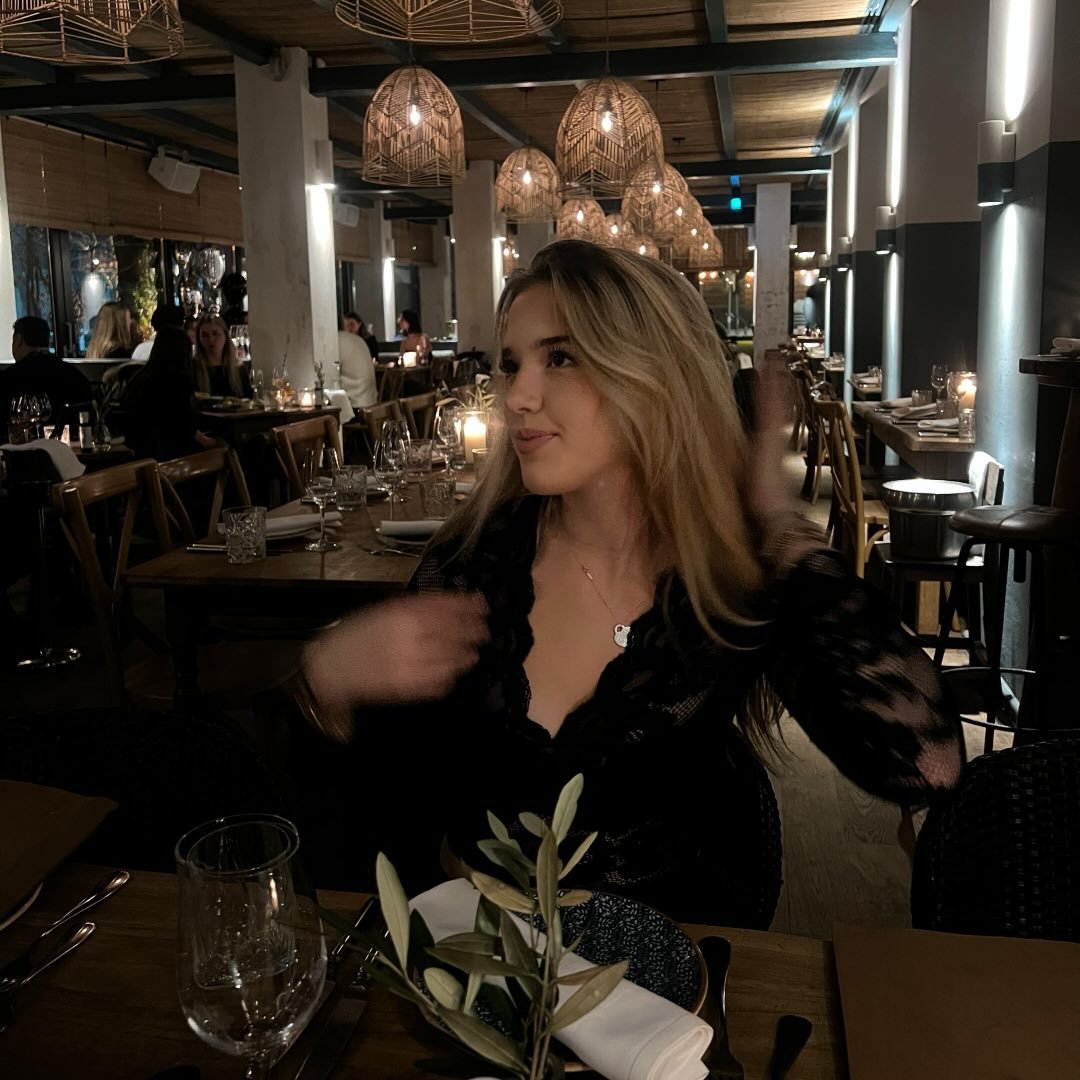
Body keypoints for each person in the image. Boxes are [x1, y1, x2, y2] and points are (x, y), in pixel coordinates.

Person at [293, 241, 963, 925]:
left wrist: (778, 525)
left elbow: (926, 762)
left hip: (681, 970)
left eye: (561, 358)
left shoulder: (728, 578)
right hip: (489, 968)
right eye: (512, 364)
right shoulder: (473, 562)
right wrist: (328, 683)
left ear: (656, 377)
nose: (517, 397)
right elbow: (381, 811)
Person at [119, 327, 215, 460]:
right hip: (169, 457)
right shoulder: (177, 380)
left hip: (137, 455)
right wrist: (216, 443)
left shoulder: (140, 377)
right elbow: (184, 427)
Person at [0, 317, 92, 443]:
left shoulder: (9, 378)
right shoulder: (72, 374)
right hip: (72, 447)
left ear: (18, 339)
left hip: (23, 449)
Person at [193, 314, 250, 398]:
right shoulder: (193, 369)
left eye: (215, 334)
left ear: (225, 336)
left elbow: (248, 400)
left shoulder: (239, 369)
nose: (211, 339)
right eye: (204, 335)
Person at [338, 326, 376, 410]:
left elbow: (329, 375)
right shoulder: (359, 339)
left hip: (354, 406)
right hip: (371, 402)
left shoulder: (337, 340)